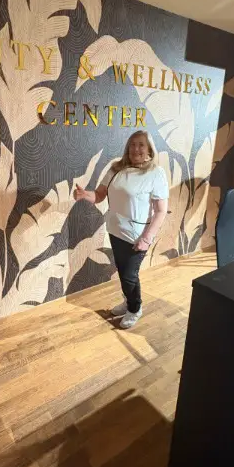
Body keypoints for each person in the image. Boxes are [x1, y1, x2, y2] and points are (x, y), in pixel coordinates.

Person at [73, 130, 169, 329]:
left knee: (129, 275)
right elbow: (99, 195)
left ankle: (135, 308)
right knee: (123, 270)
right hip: (115, 230)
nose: (136, 149)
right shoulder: (116, 168)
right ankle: (128, 302)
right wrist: (85, 195)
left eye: (141, 144)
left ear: (149, 149)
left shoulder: (155, 173)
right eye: (132, 144)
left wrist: (146, 238)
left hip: (137, 236)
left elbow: (160, 211)